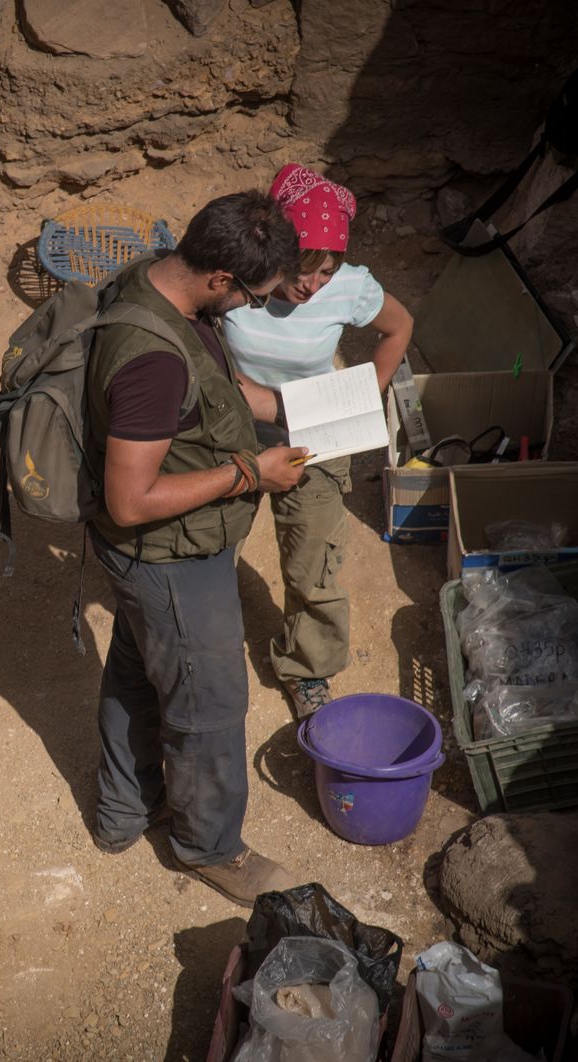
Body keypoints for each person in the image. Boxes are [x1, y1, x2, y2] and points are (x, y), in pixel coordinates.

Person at [84, 190, 309, 907]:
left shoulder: (162, 279)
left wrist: (297, 409)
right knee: (208, 704)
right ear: (221, 279)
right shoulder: (153, 363)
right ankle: (209, 846)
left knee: (140, 666)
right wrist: (251, 472)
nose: (249, 309)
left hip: (155, 560)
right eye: (253, 298)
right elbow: (130, 500)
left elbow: (220, 391)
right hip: (168, 559)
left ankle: (123, 812)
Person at [221, 164, 414, 719]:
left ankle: (307, 669)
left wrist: (359, 396)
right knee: (211, 539)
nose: (310, 285)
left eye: (325, 272)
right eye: (301, 269)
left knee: (314, 562)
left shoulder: (351, 288)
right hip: (235, 428)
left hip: (313, 435)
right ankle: (205, 640)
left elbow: (399, 328)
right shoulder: (239, 276)